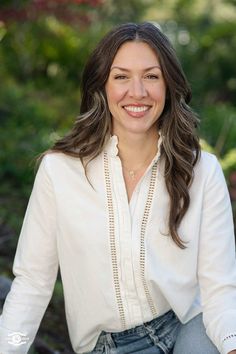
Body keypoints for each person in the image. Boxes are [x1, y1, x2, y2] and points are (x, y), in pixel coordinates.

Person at [0, 22, 236, 354]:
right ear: (102, 85)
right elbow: (32, 284)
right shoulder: (59, 170)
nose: (137, 91)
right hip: (108, 346)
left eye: (151, 76)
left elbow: (220, 289)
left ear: (168, 84)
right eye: (121, 76)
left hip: (189, 328)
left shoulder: (202, 170)